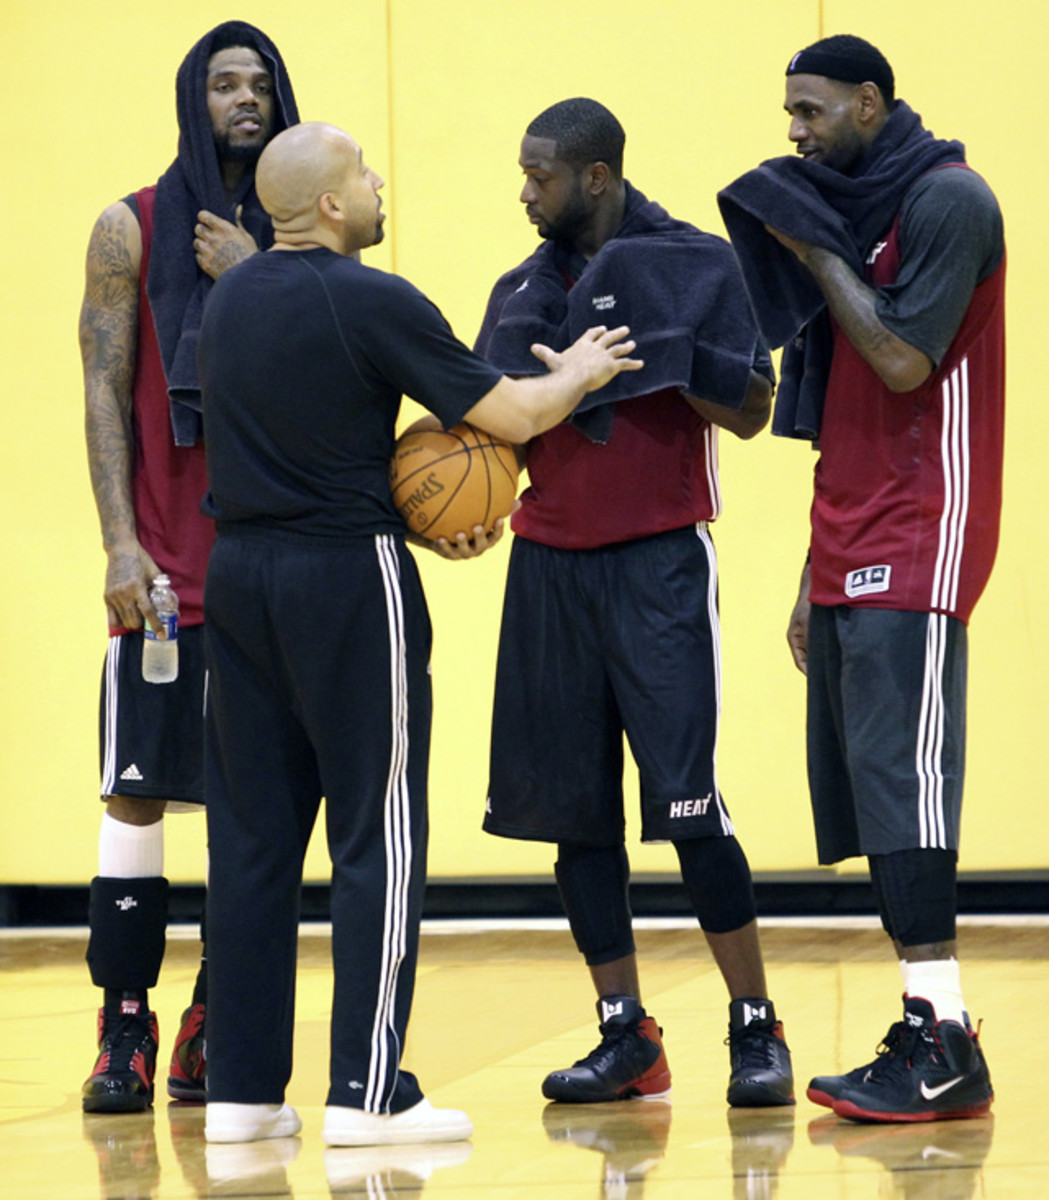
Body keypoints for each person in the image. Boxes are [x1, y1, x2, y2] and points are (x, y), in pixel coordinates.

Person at [196, 120, 643, 1146]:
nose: (378, 179)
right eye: (362, 172)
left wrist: (405, 504)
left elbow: (300, 446)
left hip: (239, 577)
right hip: (347, 582)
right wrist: (578, 366)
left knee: (252, 845)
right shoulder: (371, 297)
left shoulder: (230, 301)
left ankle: (242, 1095)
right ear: (328, 205)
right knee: (377, 835)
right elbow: (516, 415)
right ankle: (366, 1092)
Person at [476, 97, 795, 1108]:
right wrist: (468, 496)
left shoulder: (693, 263)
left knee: (689, 805)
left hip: (657, 562)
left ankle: (753, 1027)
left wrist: (659, 354)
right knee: (577, 816)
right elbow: (491, 432)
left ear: (596, 177)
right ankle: (626, 1035)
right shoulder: (518, 289)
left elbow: (751, 408)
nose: (524, 191)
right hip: (547, 568)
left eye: (540, 176)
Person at [718, 34, 1004, 1122]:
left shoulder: (945, 199)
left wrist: (810, 251)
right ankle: (923, 1021)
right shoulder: (852, 209)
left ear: (871, 105)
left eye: (810, 113)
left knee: (906, 783)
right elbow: (842, 413)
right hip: (850, 527)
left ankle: (943, 1038)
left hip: (924, 521)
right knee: (865, 789)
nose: (792, 133)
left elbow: (899, 360)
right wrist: (810, 566)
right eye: (786, 113)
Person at [79, 21, 299, 1113]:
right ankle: (124, 1023)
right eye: (224, 83)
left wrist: (262, 277)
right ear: (192, 96)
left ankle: (218, 1005)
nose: (244, 100)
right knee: (135, 797)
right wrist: (120, 541)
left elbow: (329, 382)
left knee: (253, 812)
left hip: (275, 572)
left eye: (260, 83)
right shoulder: (131, 226)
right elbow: (105, 393)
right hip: (166, 572)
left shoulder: (315, 237)